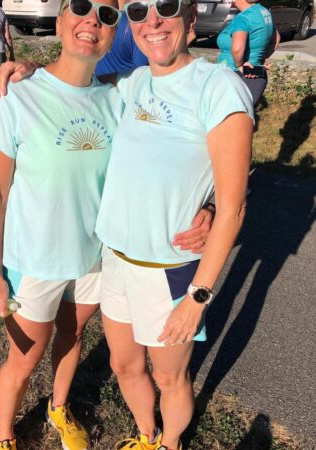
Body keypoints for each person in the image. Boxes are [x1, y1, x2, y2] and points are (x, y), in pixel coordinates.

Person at [0, 0, 213, 449]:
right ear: (60, 21)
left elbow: (176, 153)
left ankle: (58, 407)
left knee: (73, 336)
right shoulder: (16, 98)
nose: (92, 20)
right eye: (82, 7)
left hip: (94, 257)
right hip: (34, 259)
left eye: (107, 16)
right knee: (24, 360)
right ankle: (4, 433)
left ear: (112, 34)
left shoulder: (117, 98)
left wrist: (212, 205)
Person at [93, 0, 254, 448]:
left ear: (191, 18)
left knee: (169, 377)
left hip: (168, 271)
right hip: (116, 258)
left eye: (166, 6)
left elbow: (234, 206)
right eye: (139, 11)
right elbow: (72, 82)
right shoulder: (133, 82)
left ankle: (171, 443)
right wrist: (27, 68)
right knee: (123, 365)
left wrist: (198, 297)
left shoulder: (217, 87)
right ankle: (147, 436)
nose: (153, 21)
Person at [217, 0, 280, 105]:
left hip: (236, 77)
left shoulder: (243, 18)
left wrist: (240, 65)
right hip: (255, 75)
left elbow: (237, 49)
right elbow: (276, 40)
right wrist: (260, 58)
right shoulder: (264, 12)